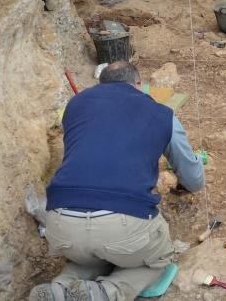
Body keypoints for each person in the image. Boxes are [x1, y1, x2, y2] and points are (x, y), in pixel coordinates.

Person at [30, 62, 205, 301]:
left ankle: (60, 288)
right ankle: (102, 293)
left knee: (94, 254)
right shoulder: (161, 114)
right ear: (139, 84)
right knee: (158, 256)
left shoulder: (75, 105)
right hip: (121, 225)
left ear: (101, 83)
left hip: (60, 222)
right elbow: (194, 180)